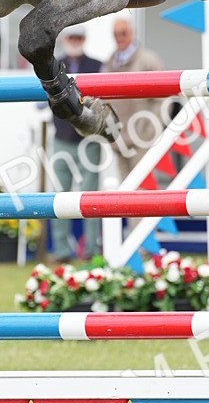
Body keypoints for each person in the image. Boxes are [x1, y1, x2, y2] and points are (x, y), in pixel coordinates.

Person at [48, 25, 104, 261]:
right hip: (61, 138)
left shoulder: (97, 65)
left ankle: (92, 249)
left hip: (88, 140)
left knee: (90, 196)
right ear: (65, 39)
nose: (75, 40)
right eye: (72, 36)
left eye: (79, 36)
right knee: (59, 196)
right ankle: (61, 251)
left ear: (85, 39)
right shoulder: (51, 65)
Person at [105, 14, 166, 181]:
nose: (120, 37)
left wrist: (148, 131)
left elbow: (162, 99)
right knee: (125, 190)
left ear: (133, 33)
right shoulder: (110, 62)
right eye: (116, 34)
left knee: (143, 187)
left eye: (123, 33)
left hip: (142, 138)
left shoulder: (148, 60)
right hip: (119, 139)